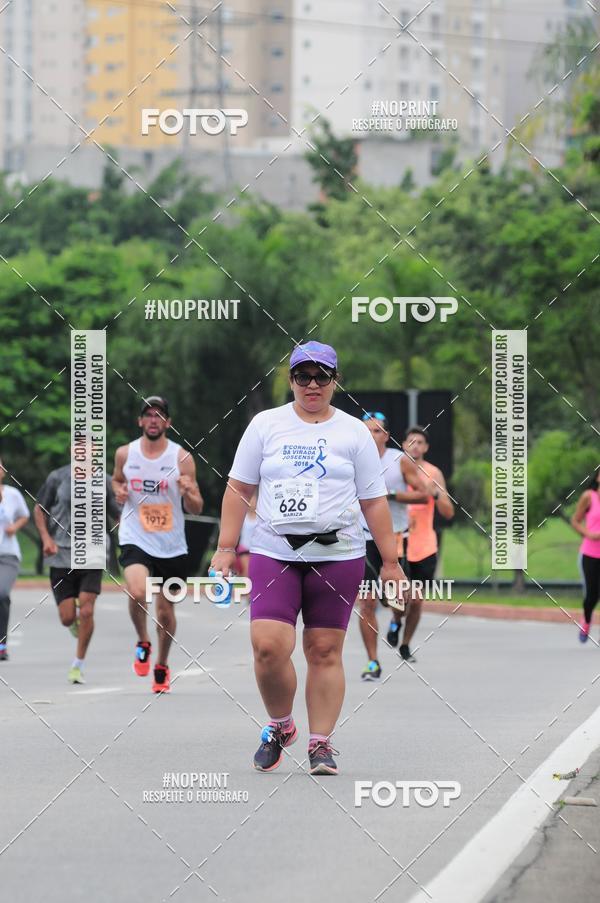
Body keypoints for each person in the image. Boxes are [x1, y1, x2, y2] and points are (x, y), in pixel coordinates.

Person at [210, 341, 407, 776]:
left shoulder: (353, 431)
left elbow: (374, 501)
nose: (312, 384)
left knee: (323, 650)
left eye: (322, 376)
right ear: (291, 380)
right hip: (275, 550)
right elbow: (239, 488)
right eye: (303, 376)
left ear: (335, 380)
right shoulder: (266, 425)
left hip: (338, 554)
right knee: (268, 646)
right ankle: (281, 725)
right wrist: (225, 548)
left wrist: (391, 563)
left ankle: (321, 743)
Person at [112, 395, 203, 694]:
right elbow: (117, 480)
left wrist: (189, 492)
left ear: (168, 423)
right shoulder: (125, 453)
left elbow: (197, 508)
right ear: (140, 421)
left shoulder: (182, 458)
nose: (154, 420)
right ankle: (143, 640)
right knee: (137, 591)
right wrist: (119, 491)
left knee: (165, 612)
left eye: (159, 415)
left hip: (171, 544)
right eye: (148, 415)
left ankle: (162, 664)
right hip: (135, 535)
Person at [34, 453, 120, 684]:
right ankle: (73, 623)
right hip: (61, 554)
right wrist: (46, 539)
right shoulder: (58, 477)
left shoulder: (104, 481)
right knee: (67, 617)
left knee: (87, 610)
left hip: (93, 552)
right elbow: (40, 509)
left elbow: (118, 513)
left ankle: (77, 664)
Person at [357, 413, 429, 680]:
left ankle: (397, 621)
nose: (370, 436)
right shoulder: (351, 461)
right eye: (366, 431)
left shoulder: (399, 460)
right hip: (364, 539)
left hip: (396, 538)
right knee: (366, 602)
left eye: (376, 431)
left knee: (401, 599)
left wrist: (392, 495)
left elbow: (423, 493)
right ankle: (372, 662)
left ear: (386, 436)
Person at [386, 426, 454, 661]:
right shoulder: (393, 471)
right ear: (404, 445)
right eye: (411, 442)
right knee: (397, 596)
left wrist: (434, 494)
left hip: (424, 545)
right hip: (397, 542)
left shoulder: (433, 473)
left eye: (420, 443)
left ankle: (405, 645)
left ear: (426, 447)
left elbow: (448, 512)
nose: (415, 446)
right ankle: (396, 620)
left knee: (416, 599)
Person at [0, 458, 30, 661]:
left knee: (2, 593)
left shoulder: (12, 494)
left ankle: (1, 644)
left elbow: (24, 515)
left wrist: (15, 527)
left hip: (7, 554)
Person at [570, 471, 600, 642]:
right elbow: (575, 520)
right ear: (598, 477)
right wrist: (589, 534)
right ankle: (586, 621)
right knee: (592, 595)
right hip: (590, 554)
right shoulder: (589, 497)